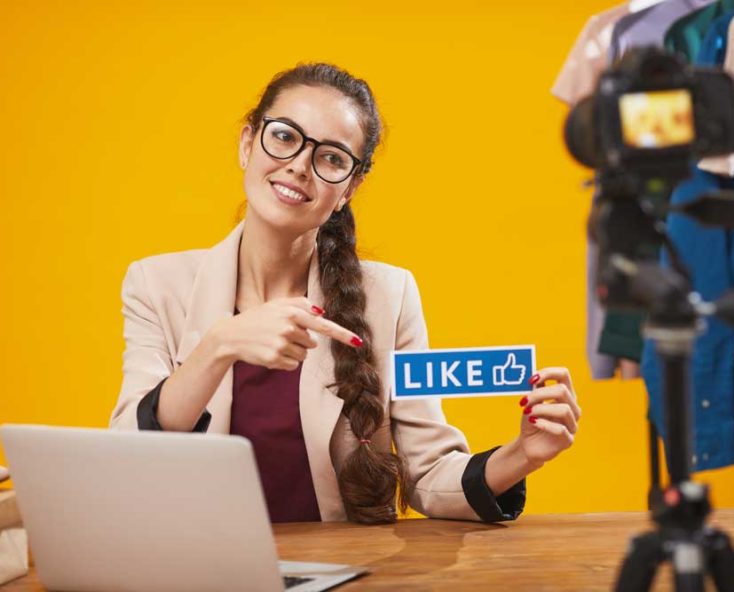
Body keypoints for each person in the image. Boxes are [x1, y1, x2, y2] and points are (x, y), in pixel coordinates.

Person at [110, 63, 582, 524]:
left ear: (350, 188)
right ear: (247, 143)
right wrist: (219, 346)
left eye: (332, 157)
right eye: (284, 136)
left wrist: (522, 454)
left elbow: (428, 475)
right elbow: (129, 454)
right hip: (199, 569)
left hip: (339, 571)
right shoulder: (156, 285)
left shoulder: (389, 295)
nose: (299, 166)